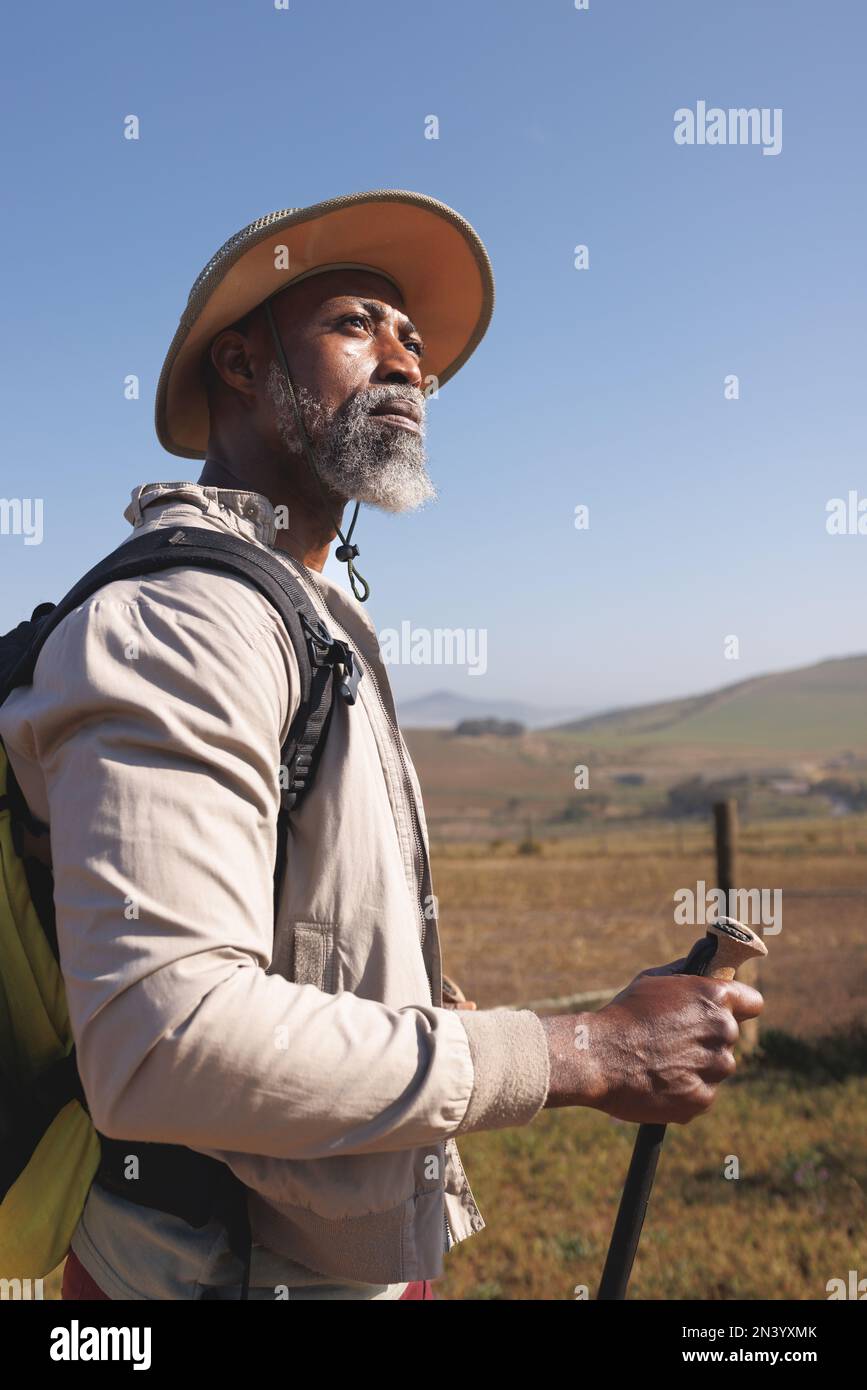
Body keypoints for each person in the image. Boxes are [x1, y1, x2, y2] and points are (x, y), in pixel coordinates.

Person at [0, 191, 762, 1301]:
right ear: (242, 364)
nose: (409, 363)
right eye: (359, 324)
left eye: (416, 344)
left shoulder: (302, 609)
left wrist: (500, 1016)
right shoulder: (186, 621)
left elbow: (302, 931)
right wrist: (583, 1051)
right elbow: (163, 1040)